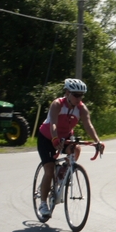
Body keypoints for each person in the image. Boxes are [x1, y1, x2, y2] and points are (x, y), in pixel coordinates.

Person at [36, 78, 103, 218]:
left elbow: (88, 125)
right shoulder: (57, 104)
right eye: (76, 95)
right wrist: (54, 139)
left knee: (76, 149)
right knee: (48, 169)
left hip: (65, 137)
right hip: (47, 137)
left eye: (81, 95)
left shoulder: (81, 108)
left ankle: (63, 172)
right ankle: (43, 204)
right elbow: (53, 124)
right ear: (67, 93)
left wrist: (97, 141)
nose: (79, 98)